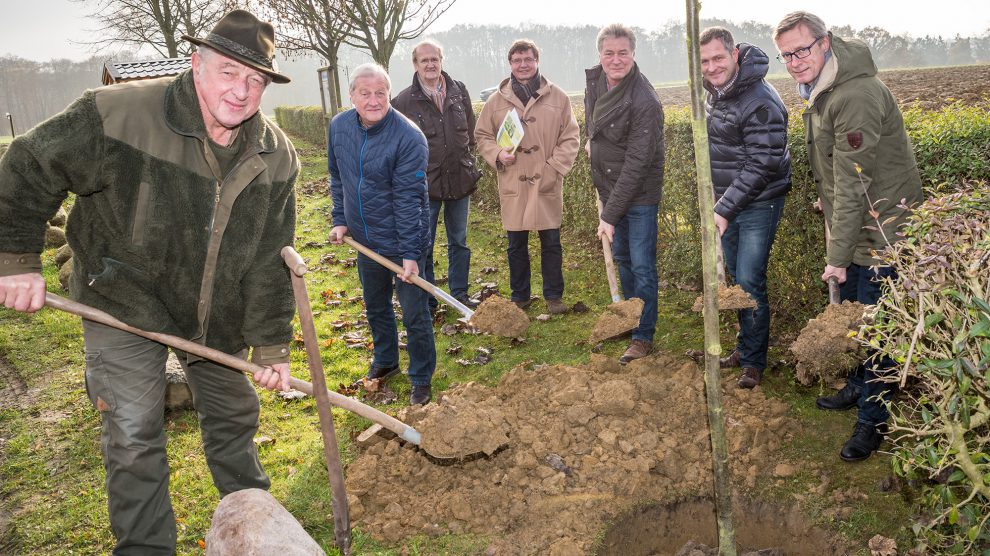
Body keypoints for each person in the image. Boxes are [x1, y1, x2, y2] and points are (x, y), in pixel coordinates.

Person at [0, 10, 298, 554]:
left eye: (255, 79)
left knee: (235, 417)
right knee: (135, 434)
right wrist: (17, 256)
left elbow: (267, 259)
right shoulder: (117, 114)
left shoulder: (276, 156)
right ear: (196, 63)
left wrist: (273, 342)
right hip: (123, 300)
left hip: (215, 317)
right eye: (230, 72)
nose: (242, 90)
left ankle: (260, 535)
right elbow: (27, 163)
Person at [773, 11, 923, 462]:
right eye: (786, 55)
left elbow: (856, 179)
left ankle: (872, 423)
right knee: (859, 320)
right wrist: (830, 203)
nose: (795, 61)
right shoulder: (826, 88)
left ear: (825, 43)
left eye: (802, 50)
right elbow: (839, 169)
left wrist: (836, 258)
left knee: (878, 330)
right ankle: (858, 390)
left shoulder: (854, 93)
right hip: (860, 222)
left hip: (883, 230)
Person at [328, 63, 436, 406]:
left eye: (381, 93)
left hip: (404, 241)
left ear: (389, 94)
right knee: (376, 306)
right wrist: (340, 218)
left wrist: (409, 253)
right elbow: (337, 176)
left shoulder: (408, 137)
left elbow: (411, 200)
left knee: (415, 314)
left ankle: (420, 377)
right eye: (365, 93)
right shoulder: (340, 126)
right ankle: (387, 361)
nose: (373, 100)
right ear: (352, 95)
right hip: (364, 239)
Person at [699, 26, 791, 389]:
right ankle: (743, 347)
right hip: (730, 202)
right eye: (705, 61)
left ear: (735, 54)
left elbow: (762, 162)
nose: (712, 66)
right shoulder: (719, 93)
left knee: (750, 280)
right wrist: (720, 202)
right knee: (738, 279)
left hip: (759, 202)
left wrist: (723, 209)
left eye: (718, 58)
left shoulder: (759, 99)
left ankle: (754, 362)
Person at [475, 39, 580, 314]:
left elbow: (571, 136)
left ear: (537, 61)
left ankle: (554, 297)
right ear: (510, 63)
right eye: (517, 60)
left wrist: (554, 167)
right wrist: (498, 154)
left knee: (552, 242)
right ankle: (519, 296)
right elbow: (482, 135)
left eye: (528, 59)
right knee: (516, 244)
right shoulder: (496, 101)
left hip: (546, 180)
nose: (523, 65)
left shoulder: (559, 97)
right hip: (514, 180)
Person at [584, 24, 665, 363]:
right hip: (610, 188)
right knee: (624, 260)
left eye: (622, 53)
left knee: (643, 265)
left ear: (633, 54)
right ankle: (631, 318)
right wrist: (591, 140)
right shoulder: (595, 81)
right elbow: (594, 120)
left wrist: (609, 214)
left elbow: (637, 164)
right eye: (609, 53)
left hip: (639, 194)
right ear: (600, 55)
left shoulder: (645, 100)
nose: (615, 60)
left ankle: (643, 335)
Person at [392, 39, 481, 311]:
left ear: (441, 61)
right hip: (424, 186)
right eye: (424, 60)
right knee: (423, 245)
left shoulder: (459, 92)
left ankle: (459, 294)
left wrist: (467, 160)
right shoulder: (403, 101)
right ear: (415, 64)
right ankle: (428, 298)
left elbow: (470, 131)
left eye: (435, 59)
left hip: (459, 181)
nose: (430, 64)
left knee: (459, 242)